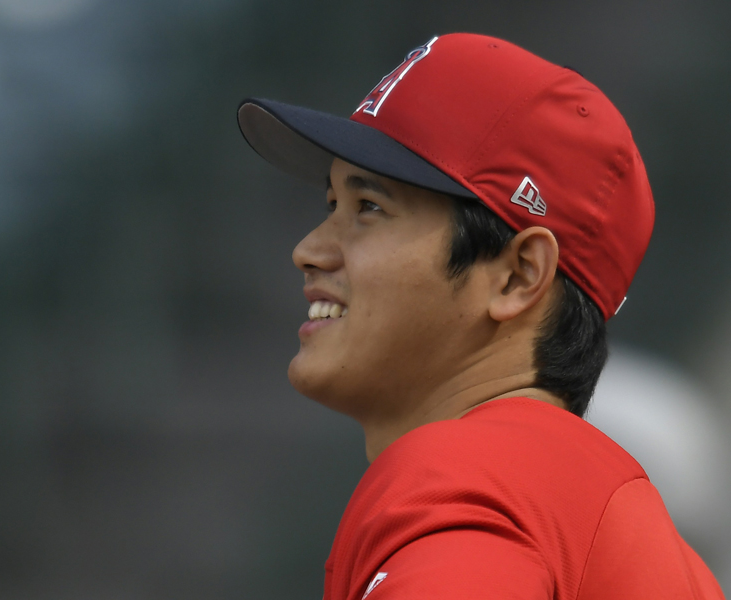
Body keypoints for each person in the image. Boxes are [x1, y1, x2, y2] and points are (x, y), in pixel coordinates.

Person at [236, 33, 726, 599]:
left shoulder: (467, 484)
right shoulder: (623, 528)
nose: (309, 249)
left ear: (518, 275)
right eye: (332, 205)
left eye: (369, 207)